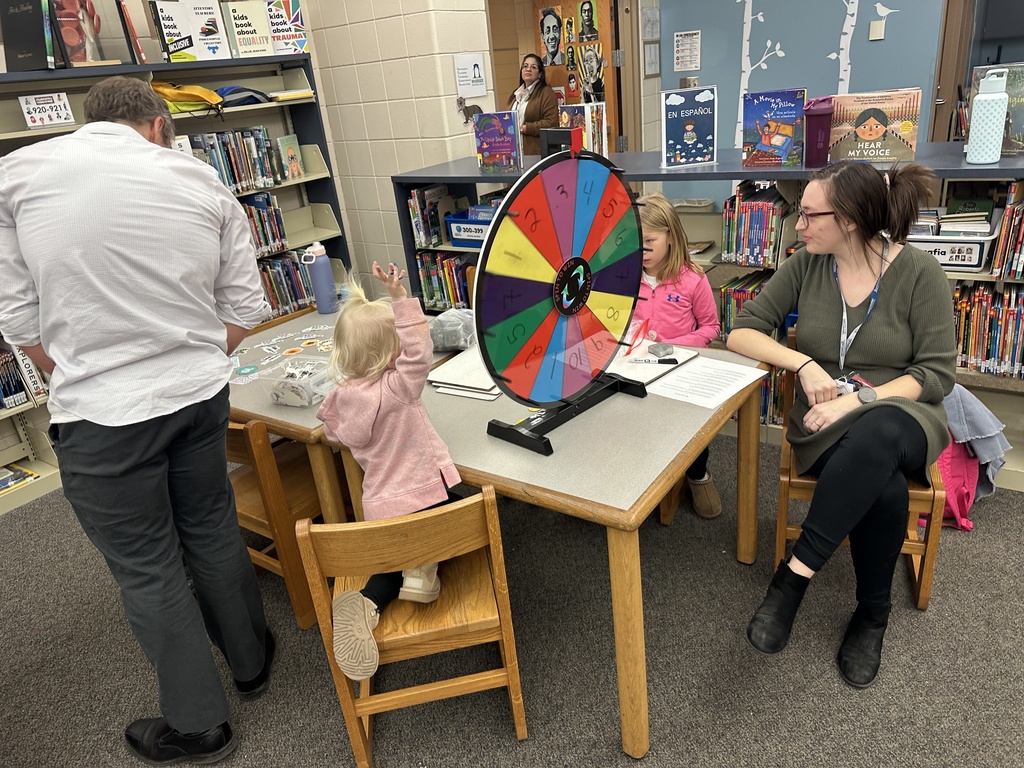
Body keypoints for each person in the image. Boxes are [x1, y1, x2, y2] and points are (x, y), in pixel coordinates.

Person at [0, 76, 272, 764]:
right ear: (157, 125)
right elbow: (245, 309)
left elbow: (19, 320)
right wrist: (189, 359)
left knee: (150, 569)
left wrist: (88, 374)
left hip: (102, 414)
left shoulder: (17, 175)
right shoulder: (202, 180)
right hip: (198, 394)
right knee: (212, 523)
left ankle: (200, 725)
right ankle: (251, 660)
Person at [726, 161, 956, 688]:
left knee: (879, 431)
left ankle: (793, 579)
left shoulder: (922, 274)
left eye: (808, 215)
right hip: (822, 420)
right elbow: (743, 331)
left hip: (905, 415)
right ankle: (872, 615)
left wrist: (860, 399)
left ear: (849, 219)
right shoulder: (807, 265)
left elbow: (936, 374)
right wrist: (804, 365)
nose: (797, 225)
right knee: (887, 489)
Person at [317, 262, 462, 682]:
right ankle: (423, 572)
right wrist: (401, 300)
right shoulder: (398, 388)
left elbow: (332, 434)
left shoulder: (341, 397)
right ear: (390, 354)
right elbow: (420, 351)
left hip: (380, 507)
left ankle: (367, 600)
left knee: (388, 564)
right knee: (467, 504)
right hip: (423, 499)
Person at [633, 193, 722, 519]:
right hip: (636, 367)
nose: (641, 250)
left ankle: (698, 474)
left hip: (680, 369)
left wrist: (677, 346)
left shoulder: (692, 279)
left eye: (650, 241)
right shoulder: (624, 277)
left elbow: (711, 327)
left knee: (691, 427)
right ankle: (645, 475)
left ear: (670, 237)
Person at [508, 53, 559, 156]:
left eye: (533, 67)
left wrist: (526, 128)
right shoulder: (517, 94)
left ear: (540, 74)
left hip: (536, 153)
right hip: (517, 153)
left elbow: (551, 122)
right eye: (525, 66)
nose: (528, 69)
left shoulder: (546, 93)